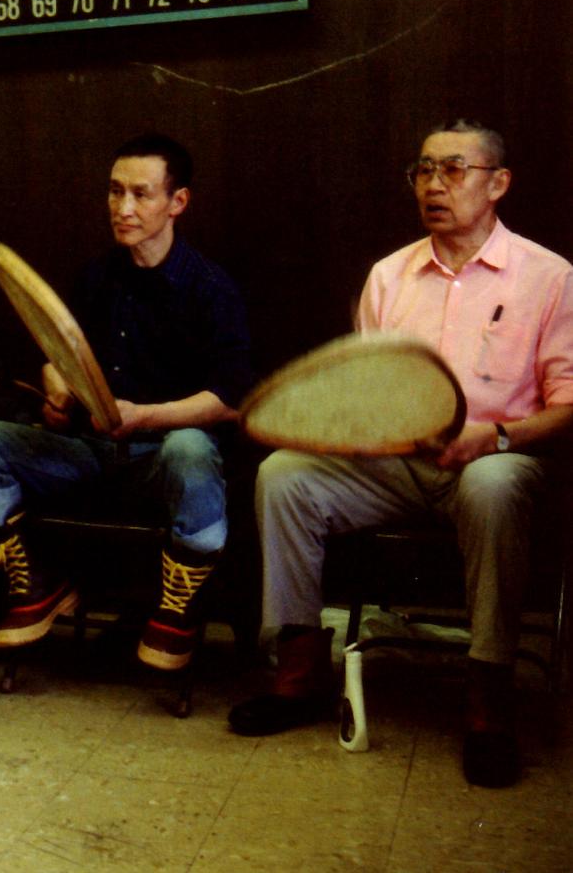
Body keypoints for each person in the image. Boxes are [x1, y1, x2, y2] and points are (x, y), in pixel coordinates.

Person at [229, 121, 573, 789]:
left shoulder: (549, 277)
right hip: (396, 463)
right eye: (421, 170)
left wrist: (495, 437)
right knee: (283, 476)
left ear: (496, 183)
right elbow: (367, 393)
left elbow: (567, 403)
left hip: (492, 458)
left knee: (493, 487)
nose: (433, 185)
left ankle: (487, 700)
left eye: (451, 169)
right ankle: (297, 671)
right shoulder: (388, 275)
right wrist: (348, 430)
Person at [0, 134, 252, 671]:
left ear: (177, 202)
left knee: (190, 446)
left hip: (159, 461)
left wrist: (145, 416)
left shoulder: (211, 288)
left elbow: (231, 402)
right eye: (115, 192)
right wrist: (58, 389)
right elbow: (59, 352)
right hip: (89, 452)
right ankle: (36, 584)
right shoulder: (98, 276)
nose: (124, 208)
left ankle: (179, 606)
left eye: (141, 194)